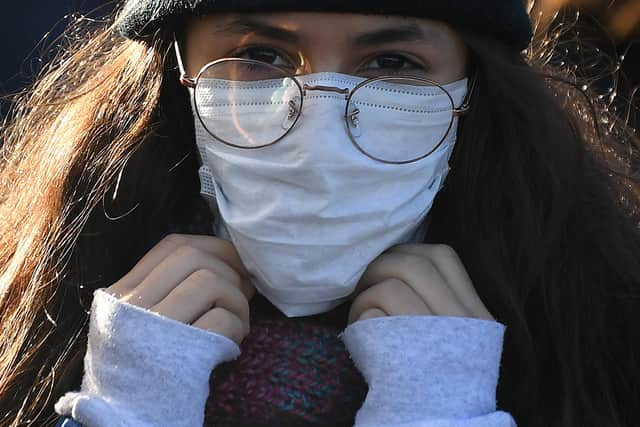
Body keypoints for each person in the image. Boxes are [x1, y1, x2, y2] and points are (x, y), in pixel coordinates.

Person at [0, 1, 638, 426]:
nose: (321, 132)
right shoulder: (33, 303)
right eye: (262, 55)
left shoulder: (602, 322)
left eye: (392, 63)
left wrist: (441, 409)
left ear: (474, 90)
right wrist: (126, 407)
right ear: (175, 77)